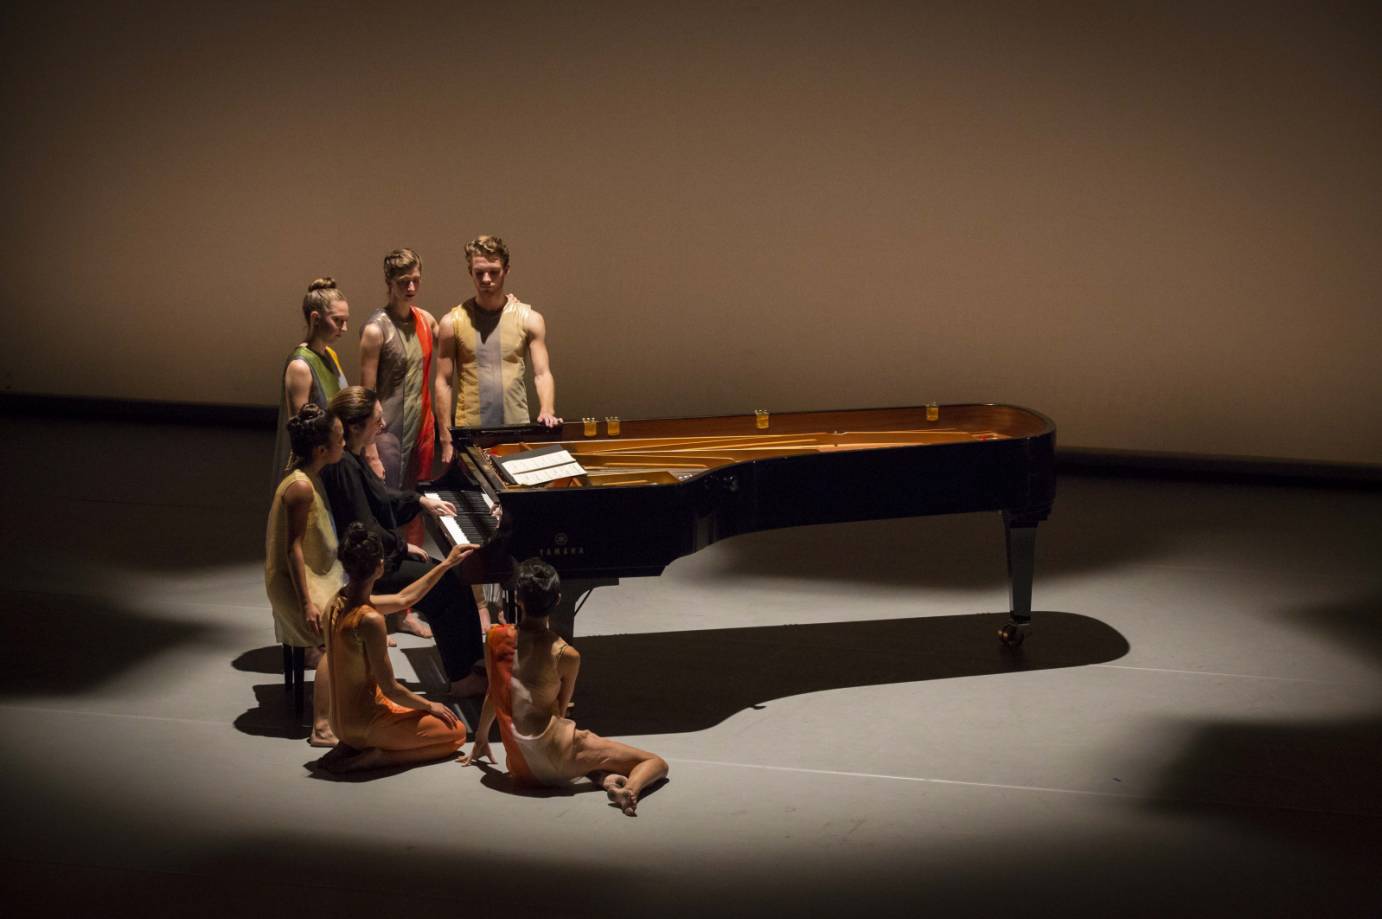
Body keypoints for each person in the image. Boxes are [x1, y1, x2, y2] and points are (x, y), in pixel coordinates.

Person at [466, 559, 668, 816]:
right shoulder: (566, 654)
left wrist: (481, 737)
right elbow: (561, 710)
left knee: (585, 757)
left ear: (518, 598)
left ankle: (605, 779)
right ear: (558, 599)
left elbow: (495, 693)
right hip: (556, 752)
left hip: (520, 766)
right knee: (655, 762)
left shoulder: (495, 637)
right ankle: (630, 790)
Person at [322, 386, 488, 697]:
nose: (382, 426)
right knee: (447, 587)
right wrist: (400, 547)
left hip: (378, 555)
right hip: (366, 567)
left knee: (454, 578)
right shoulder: (344, 464)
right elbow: (363, 527)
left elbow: (381, 498)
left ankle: (471, 663)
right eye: (377, 420)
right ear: (357, 426)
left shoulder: (352, 457)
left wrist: (420, 501)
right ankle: (462, 677)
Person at [435, 235, 560, 627]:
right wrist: (444, 435)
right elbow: (442, 381)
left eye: (492, 272)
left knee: (514, 520)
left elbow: (541, 371)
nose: (486, 279)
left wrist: (548, 410)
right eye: (478, 273)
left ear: (505, 270)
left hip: (515, 432)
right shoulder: (452, 322)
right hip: (471, 434)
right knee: (473, 522)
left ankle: (516, 601)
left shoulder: (528, 318)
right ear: (470, 272)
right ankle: (480, 608)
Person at [315, 524, 472, 774]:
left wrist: (446, 564)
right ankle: (377, 758)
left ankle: (355, 747)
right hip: (366, 725)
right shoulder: (370, 620)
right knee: (458, 736)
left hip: (339, 724)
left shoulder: (337, 601)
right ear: (379, 567)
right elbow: (391, 688)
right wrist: (430, 705)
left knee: (425, 721)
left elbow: (403, 600)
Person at [264, 403, 346, 747]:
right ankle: (323, 726)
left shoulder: (308, 477)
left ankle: (343, 705)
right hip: (299, 587)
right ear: (321, 450)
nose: (344, 443)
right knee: (340, 633)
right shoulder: (300, 487)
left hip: (317, 576)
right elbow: (292, 548)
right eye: (340, 439)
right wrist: (309, 604)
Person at [359, 249, 439, 503]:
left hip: (421, 427)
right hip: (387, 431)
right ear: (389, 283)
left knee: (419, 502)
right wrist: (369, 448)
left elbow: (458, 340)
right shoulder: (376, 329)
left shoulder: (425, 320)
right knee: (388, 500)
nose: (411, 287)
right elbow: (367, 393)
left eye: (416, 280)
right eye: (404, 282)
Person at [269, 278, 350, 491]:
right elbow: (303, 432)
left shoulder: (330, 355)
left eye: (346, 320)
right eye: (338, 321)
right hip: (315, 469)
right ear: (315, 318)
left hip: (332, 458)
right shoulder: (300, 365)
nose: (345, 328)